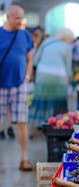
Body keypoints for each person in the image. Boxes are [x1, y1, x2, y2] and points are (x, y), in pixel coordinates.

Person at [0, 5, 34, 170]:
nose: (20, 21)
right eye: (17, 18)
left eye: (22, 18)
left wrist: (27, 76)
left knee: (22, 122)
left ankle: (24, 159)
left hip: (20, 84)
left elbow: (29, 58)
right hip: (1, 85)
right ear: (8, 17)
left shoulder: (25, 35)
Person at [29, 28, 74, 134]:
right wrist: (70, 81)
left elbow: (35, 61)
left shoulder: (47, 42)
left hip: (42, 76)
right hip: (59, 78)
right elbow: (68, 67)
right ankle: (57, 126)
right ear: (67, 38)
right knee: (58, 102)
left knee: (42, 100)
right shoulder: (67, 47)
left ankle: (38, 126)